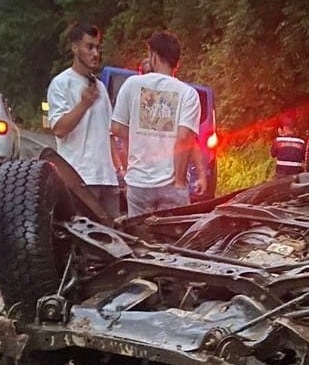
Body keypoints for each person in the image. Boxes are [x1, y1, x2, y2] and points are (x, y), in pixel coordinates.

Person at [111, 30, 206, 217]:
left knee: (139, 239)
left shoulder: (131, 85)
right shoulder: (188, 94)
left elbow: (117, 128)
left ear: (153, 56)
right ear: (177, 63)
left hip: (138, 183)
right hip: (170, 184)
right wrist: (179, 181)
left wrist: (138, 140)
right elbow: (185, 138)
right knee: (173, 241)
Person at [47, 22, 119, 218]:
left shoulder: (100, 88)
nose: (95, 53)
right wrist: (84, 104)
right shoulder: (61, 84)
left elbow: (108, 133)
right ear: (75, 47)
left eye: (97, 47)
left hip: (107, 178)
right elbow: (59, 129)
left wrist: (119, 170)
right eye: (89, 47)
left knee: (116, 241)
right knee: (83, 242)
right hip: (79, 179)